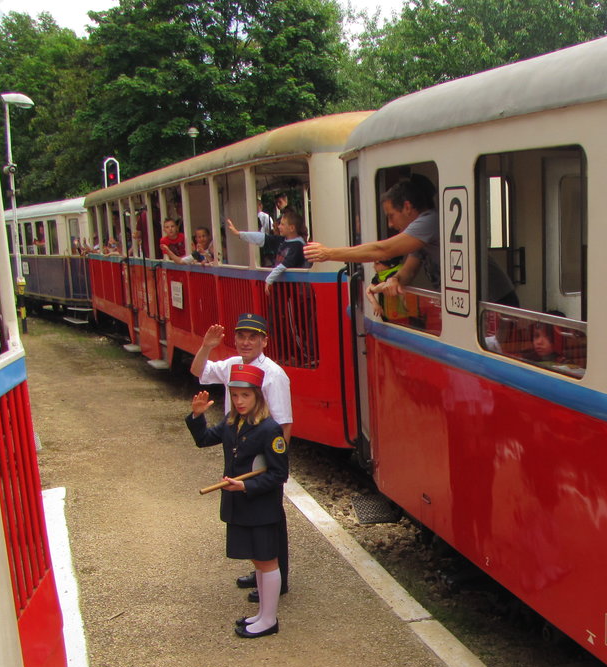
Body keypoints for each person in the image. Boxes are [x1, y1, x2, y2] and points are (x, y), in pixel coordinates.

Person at [304, 174, 517, 315]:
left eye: (391, 216)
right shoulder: (421, 238)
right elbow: (409, 270)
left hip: (497, 301)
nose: (390, 224)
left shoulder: (429, 221)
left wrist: (329, 253)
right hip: (487, 304)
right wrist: (395, 279)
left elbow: (383, 249)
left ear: (407, 207)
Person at [191, 313, 293, 599]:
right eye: (241, 337)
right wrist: (207, 346)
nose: (246, 342)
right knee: (251, 520)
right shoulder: (232, 364)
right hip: (241, 447)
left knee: (270, 521)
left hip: (262, 457)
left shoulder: (274, 374)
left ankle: (278, 579)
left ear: (264, 341)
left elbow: (284, 423)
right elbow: (199, 371)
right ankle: (262, 570)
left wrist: (273, 464)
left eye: (253, 337)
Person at [185, 364, 289, 638]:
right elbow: (204, 439)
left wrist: (246, 485)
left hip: (261, 507)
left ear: (258, 396)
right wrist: (197, 417)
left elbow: (279, 474)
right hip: (241, 506)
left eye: (245, 395)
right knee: (257, 561)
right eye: (235, 395)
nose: (239, 401)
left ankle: (269, 620)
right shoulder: (232, 422)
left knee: (267, 561)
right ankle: (262, 615)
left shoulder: (270, 429)